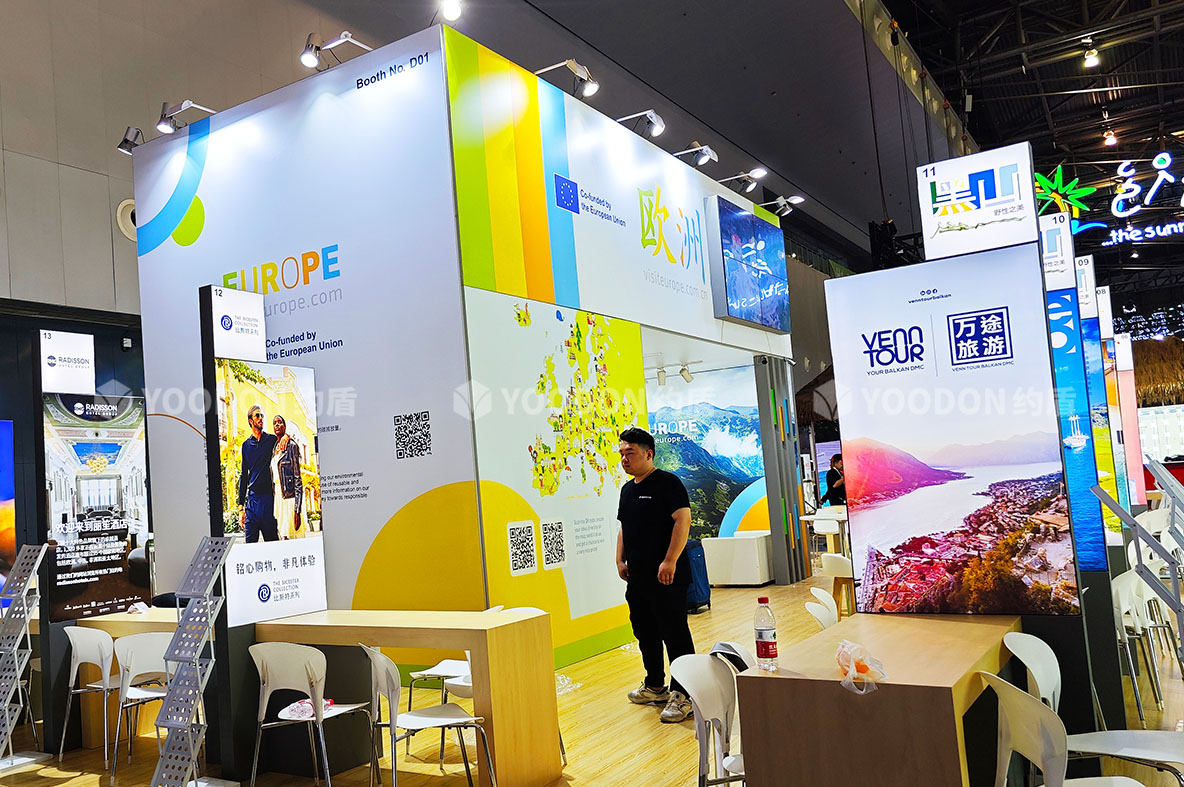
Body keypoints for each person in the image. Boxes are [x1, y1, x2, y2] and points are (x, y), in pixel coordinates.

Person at [615, 427, 695, 724]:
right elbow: (624, 527)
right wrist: (619, 559)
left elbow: (682, 521)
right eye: (622, 454)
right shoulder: (627, 490)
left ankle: (684, 694)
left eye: (630, 453)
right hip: (638, 577)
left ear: (648, 454)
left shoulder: (668, 483)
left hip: (668, 576)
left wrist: (670, 560)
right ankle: (655, 686)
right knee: (645, 632)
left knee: (674, 633)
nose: (624, 459)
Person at [237, 404, 281, 543]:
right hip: (252, 502)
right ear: (251, 421)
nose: (261, 418)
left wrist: (285, 437)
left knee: (273, 545)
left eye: (261, 415)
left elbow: (284, 441)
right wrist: (241, 507)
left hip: (268, 500)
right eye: (257, 416)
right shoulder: (246, 446)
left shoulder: (271, 440)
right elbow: (244, 476)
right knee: (250, 547)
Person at [269, 414, 304, 540]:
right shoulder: (274, 447)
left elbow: (297, 478)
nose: (277, 425)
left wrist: (297, 509)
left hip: (290, 498)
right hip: (279, 496)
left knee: (292, 536)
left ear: (284, 426)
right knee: (283, 536)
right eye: (274, 423)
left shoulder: (291, 446)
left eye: (280, 422)